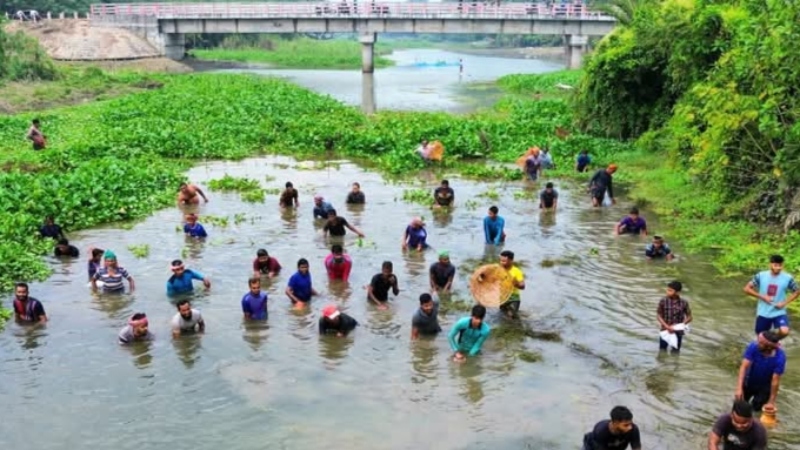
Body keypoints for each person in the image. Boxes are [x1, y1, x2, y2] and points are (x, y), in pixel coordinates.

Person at [743, 254, 799, 337]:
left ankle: (774, 341)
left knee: (784, 331)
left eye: (780, 265)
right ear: (770, 264)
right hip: (763, 312)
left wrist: (784, 303)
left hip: (779, 312)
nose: (778, 268)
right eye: (775, 265)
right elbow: (746, 289)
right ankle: (768, 342)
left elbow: (797, 291)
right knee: (761, 337)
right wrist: (762, 297)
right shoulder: (761, 276)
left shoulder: (788, 278)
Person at [735, 330, 786, 412]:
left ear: (768, 347)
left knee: (756, 411)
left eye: (761, 343)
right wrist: (739, 388)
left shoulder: (780, 357)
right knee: (738, 408)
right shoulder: (753, 347)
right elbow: (744, 367)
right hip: (748, 382)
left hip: (764, 388)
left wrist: (771, 401)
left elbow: (775, 380)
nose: (757, 343)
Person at [657, 281, 692, 352]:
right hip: (665, 330)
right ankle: (662, 363)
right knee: (662, 350)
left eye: (670, 290)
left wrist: (680, 325)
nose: (667, 292)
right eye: (667, 289)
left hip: (678, 332)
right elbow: (659, 315)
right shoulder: (663, 301)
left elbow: (689, 317)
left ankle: (674, 363)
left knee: (676, 351)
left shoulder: (684, 303)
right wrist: (667, 326)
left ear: (677, 292)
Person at [499, 250, 526, 318]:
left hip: (514, 298)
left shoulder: (517, 271)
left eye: (504, 261)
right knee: (502, 314)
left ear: (511, 261)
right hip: (503, 297)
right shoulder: (498, 270)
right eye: (501, 261)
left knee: (511, 316)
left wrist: (516, 284)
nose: (501, 263)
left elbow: (523, 286)